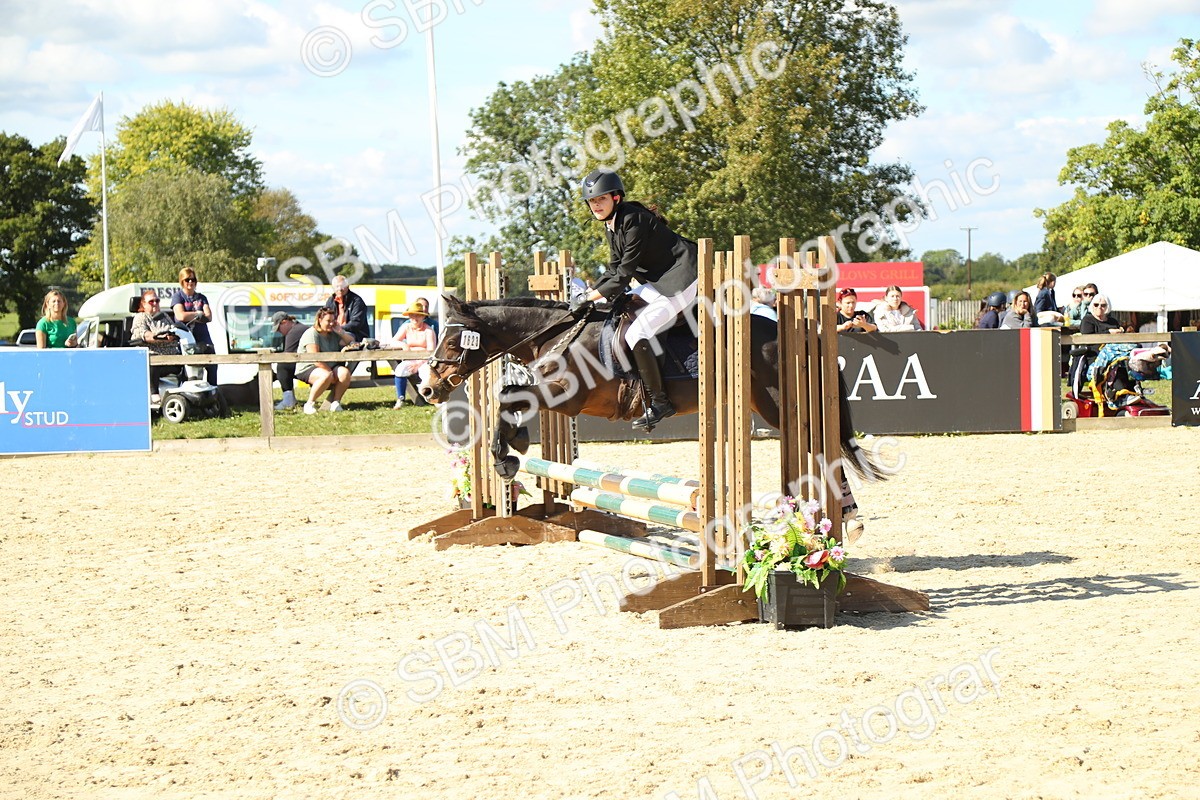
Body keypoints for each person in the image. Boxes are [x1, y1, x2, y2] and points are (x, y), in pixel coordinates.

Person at [573, 168, 698, 431]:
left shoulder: (632, 220)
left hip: (682, 278)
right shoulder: (612, 225)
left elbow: (623, 274)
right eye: (592, 201)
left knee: (638, 332)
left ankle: (661, 402)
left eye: (601, 199)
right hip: (658, 280)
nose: (595, 205)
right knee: (625, 310)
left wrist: (588, 297)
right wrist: (589, 295)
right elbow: (612, 270)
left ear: (616, 198)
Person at [296, 307, 355, 414]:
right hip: (309, 367)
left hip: (330, 366)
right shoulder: (311, 333)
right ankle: (309, 404)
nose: (331, 324)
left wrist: (340, 332)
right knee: (326, 375)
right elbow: (315, 358)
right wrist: (330, 373)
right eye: (328, 321)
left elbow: (350, 341)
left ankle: (336, 403)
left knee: (345, 373)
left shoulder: (333, 333)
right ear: (319, 320)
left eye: (333, 321)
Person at [382, 299, 437, 408]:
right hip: (409, 359)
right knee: (399, 370)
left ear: (423, 317)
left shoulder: (429, 331)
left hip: (424, 361)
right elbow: (393, 341)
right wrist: (403, 345)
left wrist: (419, 364)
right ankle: (400, 398)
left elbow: (431, 351)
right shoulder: (406, 327)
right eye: (411, 316)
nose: (414, 318)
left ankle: (432, 398)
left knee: (425, 373)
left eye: (417, 315)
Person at [170, 267, 216, 385]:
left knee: (212, 365)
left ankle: (213, 391)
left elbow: (208, 317)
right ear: (182, 282)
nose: (190, 282)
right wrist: (198, 314)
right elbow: (180, 316)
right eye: (187, 280)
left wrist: (193, 316)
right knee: (188, 369)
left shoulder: (202, 298)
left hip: (203, 337)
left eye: (193, 279)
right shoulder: (178, 297)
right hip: (186, 339)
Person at [129, 290, 180, 396]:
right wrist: (163, 338)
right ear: (143, 304)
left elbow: (174, 330)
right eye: (151, 301)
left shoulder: (164, 316)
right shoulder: (141, 317)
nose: (155, 304)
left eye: (157, 301)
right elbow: (144, 335)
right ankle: (154, 394)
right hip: (153, 357)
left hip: (172, 357)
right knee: (154, 361)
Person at [270, 311, 310, 411]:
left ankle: (288, 399)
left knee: (283, 366)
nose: (279, 331)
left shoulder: (294, 332)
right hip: (310, 361)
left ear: (285, 322)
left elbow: (287, 356)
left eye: (279, 328)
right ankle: (289, 398)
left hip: (311, 364)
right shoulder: (298, 328)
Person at [324, 274, 370, 342]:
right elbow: (324, 317)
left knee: (341, 341)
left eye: (342, 286)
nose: (339, 289)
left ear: (347, 287)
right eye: (337, 286)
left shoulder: (357, 301)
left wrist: (339, 329)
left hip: (355, 334)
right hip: (335, 331)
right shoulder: (330, 301)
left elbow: (356, 323)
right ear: (333, 288)